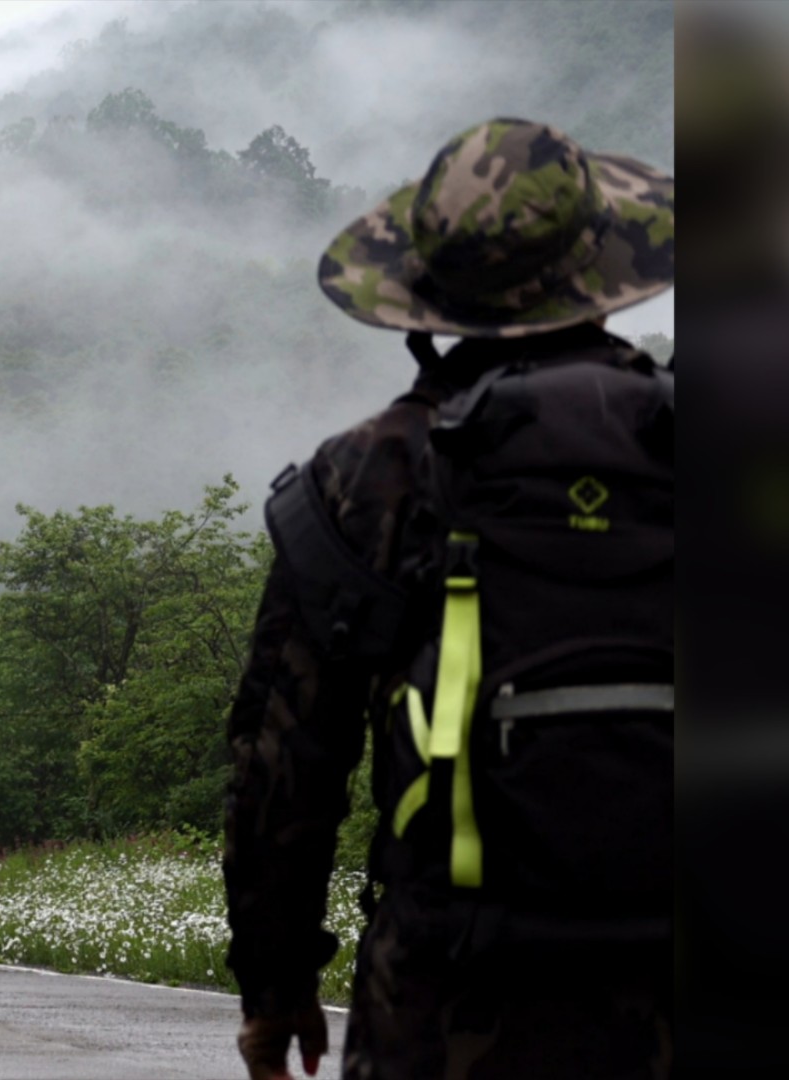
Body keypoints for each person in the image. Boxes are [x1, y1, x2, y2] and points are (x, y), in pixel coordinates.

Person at [222, 118, 674, 1080]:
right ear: (603, 267)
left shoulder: (368, 476)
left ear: (430, 292)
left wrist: (274, 986)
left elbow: (283, 764)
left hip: (446, 1000)